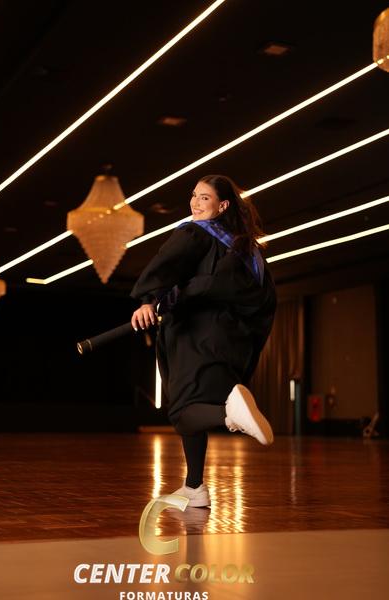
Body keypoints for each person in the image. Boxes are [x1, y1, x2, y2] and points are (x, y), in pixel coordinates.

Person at [130, 174, 276, 508]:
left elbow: (167, 265)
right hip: (231, 341)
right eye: (194, 195)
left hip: (195, 335)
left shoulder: (195, 232)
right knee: (193, 406)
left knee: (183, 412)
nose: (195, 203)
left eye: (205, 198)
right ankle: (194, 486)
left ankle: (231, 416)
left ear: (222, 206)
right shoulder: (247, 249)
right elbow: (262, 300)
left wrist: (149, 301)